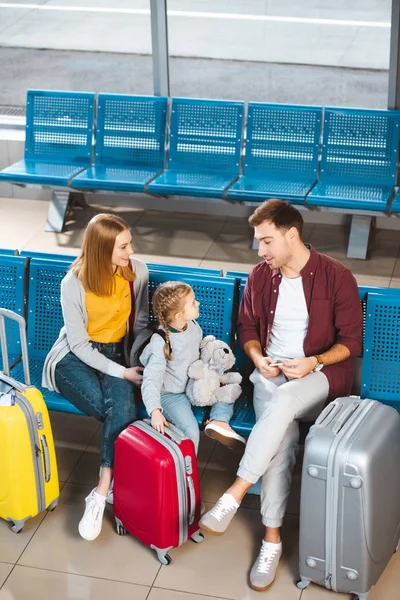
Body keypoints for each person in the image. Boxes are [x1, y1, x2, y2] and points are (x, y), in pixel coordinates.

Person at [200, 199, 363, 591]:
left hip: (321, 377)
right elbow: (246, 328)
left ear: (292, 235)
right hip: (272, 376)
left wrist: (313, 362)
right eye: (258, 242)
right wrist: (258, 358)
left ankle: (236, 492)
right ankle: (271, 542)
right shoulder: (260, 276)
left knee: (286, 401)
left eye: (267, 241)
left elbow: (350, 343)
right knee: (282, 442)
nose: (261, 251)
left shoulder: (336, 276)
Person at [42, 213, 151, 542]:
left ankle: (100, 491)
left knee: (120, 411)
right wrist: (123, 374)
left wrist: (139, 361)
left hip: (118, 352)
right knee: (121, 413)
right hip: (73, 358)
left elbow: (142, 324)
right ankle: (119, 485)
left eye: (129, 244)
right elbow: (78, 344)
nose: (130, 252)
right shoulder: (73, 283)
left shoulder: (137, 272)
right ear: (102, 249)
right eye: (123, 247)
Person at [140, 281, 246, 453]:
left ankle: (218, 421)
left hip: (193, 383)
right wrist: (154, 411)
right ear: (178, 315)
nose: (198, 303)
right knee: (190, 430)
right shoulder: (160, 342)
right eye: (193, 302)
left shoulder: (192, 325)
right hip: (171, 395)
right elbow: (151, 379)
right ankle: (186, 476)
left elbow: (195, 353)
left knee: (228, 391)